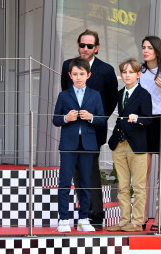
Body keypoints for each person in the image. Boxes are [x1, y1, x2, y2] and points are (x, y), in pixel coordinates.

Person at [61, 29, 118, 229]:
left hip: (94, 130)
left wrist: (96, 119)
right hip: (72, 128)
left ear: (97, 48)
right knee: (76, 171)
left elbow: (111, 100)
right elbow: (65, 94)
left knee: (90, 170)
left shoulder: (106, 70)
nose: (85, 49)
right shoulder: (68, 66)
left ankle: (96, 213)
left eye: (89, 46)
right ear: (78, 45)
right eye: (82, 45)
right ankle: (84, 212)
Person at [53, 57, 106, 232]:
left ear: (88, 75)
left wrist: (90, 117)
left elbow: (102, 120)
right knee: (65, 183)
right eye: (75, 74)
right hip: (68, 144)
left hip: (88, 145)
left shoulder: (95, 95)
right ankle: (63, 220)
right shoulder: (63, 95)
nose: (78, 77)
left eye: (82, 74)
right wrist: (65, 118)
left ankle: (84, 218)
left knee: (85, 183)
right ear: (69, 75)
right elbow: (55, 119)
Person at [107, 58, 152, 232]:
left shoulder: (144, 94)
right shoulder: (119, 94)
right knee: (123, 185)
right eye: (124, 72)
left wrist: (138, 118)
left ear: (138, 75)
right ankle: (124, 220)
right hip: (119, 143)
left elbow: (149, 120)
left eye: (131, 72)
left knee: (139, 186)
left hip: (137, 145)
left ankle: (137, 222)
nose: (127, 75)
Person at [140, 36, 161, 231]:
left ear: (158, 51)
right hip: (145, 122)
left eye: (149, 48)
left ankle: (159, 217)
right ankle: (143, 214)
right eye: (143, 47)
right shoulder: (140, 71)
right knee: (144, 171)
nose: (145, 51)